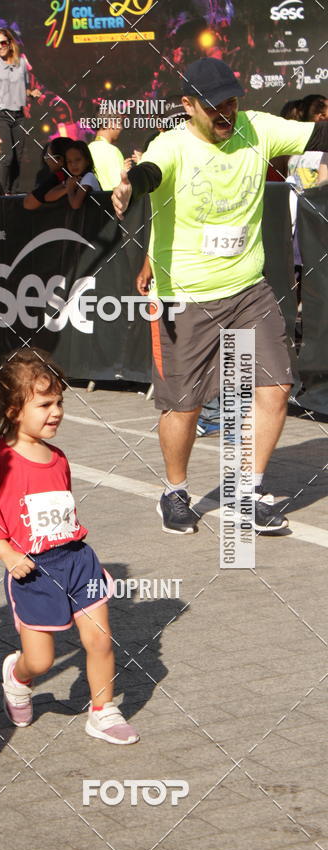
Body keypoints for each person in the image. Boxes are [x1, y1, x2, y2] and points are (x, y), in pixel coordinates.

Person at [112, 57, 328, 535]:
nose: (226, 111)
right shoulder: (171, 145)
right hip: (186, 295)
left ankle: (247, 491)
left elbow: (318, 135)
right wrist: (131, 183)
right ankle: (175, 491)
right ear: (188, 105)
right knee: (182, 405)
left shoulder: (259, 128)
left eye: (231, 100)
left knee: (275, 385)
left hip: (249, 288)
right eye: (214, 105)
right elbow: (150, 174)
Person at [0, 348, 139, 745]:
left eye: (60, 401)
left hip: (79, 561)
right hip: (33, 572)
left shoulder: (59, 457)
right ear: (13, 410)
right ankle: (18, 676)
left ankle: (103, 711)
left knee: (99, 639)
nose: (57, 411)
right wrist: (10, 556)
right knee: (42, 660)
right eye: (45, 404)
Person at [0, 29, 41, 193]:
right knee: (6, 157)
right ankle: (2, 193)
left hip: (18, 115)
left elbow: (23, 89)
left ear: (10, 43)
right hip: (0, 114)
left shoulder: (21, 64)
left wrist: (32, 93)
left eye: (3, 42)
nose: (0, 46)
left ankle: (14, 193)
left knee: (18, 157)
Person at [23, 136, 73, 209]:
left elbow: (28, 203)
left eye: (47, 156)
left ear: (59, 159)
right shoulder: (82, 175)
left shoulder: (59, 177)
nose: (46, 160)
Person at [88, 121, 124, 190]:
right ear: (110, 123)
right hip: (110, 199)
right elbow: (119, 187)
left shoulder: (88, 148)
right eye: (119, 123)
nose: (121, 128)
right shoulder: (112, 151)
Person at [64, 140, 101, 209]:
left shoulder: (88, 177)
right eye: (69, 161)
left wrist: (69, 188)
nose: (73, 165)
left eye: (78, 160)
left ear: (87, 161)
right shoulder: (74, 179)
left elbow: (75, 205)